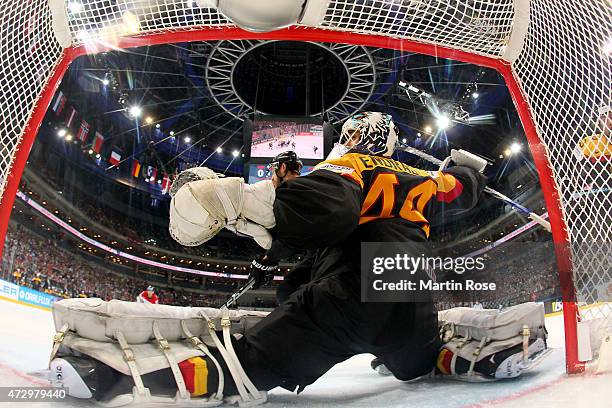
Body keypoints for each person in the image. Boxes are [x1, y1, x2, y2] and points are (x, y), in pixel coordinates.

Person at [50, 112, 507, 406]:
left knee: (245, 367)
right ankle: (440, 354)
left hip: (353, 296)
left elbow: (331, 208)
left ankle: (123, 377)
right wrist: (466, 171)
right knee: (414, 360)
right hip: (412, 291)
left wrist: (235, 200)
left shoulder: (353, 165)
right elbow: (464, 193)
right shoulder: (425, 178)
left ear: (357, 138)